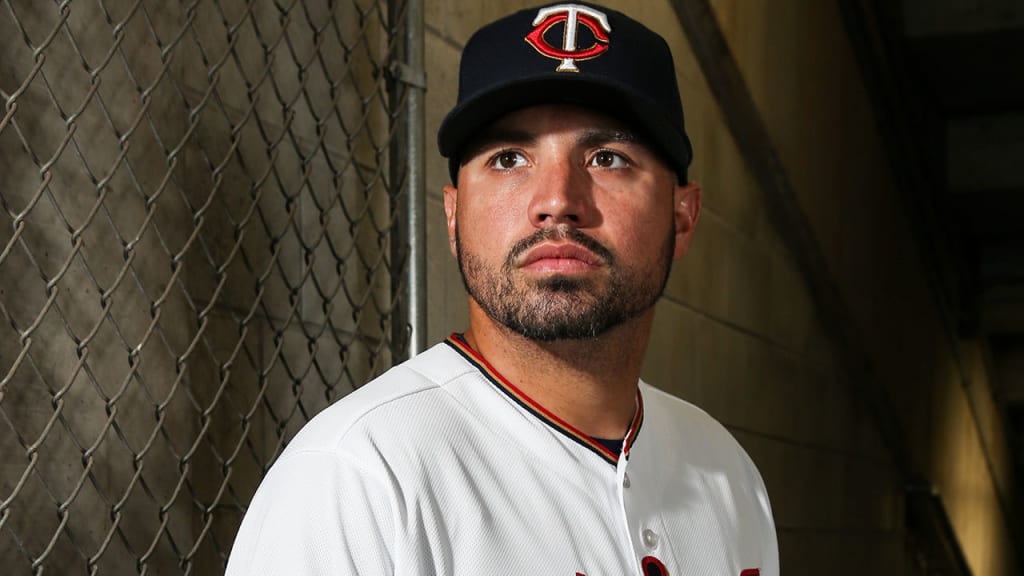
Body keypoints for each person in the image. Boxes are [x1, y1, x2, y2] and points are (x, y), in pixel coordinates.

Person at [225, 3, 778, 575]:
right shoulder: (359, 478)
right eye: (509, 159)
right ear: (453, 215)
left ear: (682, 217)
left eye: (607, 158)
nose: (558, 199)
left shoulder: (727, 474)